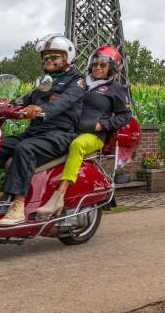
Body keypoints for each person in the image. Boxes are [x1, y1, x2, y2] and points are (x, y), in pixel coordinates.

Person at [0, 33, 85, 226]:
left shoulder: (76, 80)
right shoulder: (45, 81)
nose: (48, 60)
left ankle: (18, 205)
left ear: (66, 57)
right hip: (36, 133)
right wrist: (0, 105)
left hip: (59, 134)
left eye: (54, 56)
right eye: (45, 57)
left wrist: (41, 109)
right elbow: (24, 99)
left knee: (24, 149)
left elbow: (62, 102)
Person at [36, 45, 132, 216]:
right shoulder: (79, 82)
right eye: (95, 64)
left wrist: (103, 125)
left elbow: (125, 115)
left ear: (111, 68)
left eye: (103, 65)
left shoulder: (116, 89)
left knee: (77, 145)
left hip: (93, 135)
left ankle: (59, 196)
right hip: (69, 129)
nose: (97, 68)